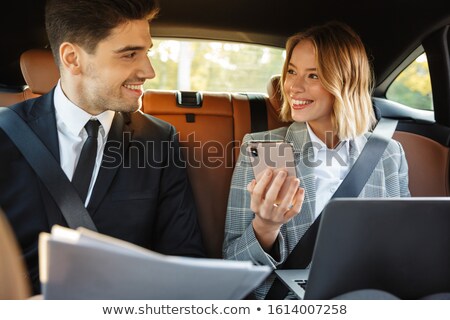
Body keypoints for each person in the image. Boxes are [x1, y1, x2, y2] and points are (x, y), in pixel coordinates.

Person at [0, 0, 205, 295]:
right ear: (73, 58)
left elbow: (184, 258)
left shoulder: (159, 139)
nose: (149, 71)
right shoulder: (5, 134)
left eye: (147, 52)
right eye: (129, 55)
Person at [223, 21, 410, 299]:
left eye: (313, 76)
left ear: (346, 82)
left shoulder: (388, 154)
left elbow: (405, 245)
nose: (293, 87)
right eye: (291, 71)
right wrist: (265, 226)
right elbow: (232, 266)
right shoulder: (266, 149)